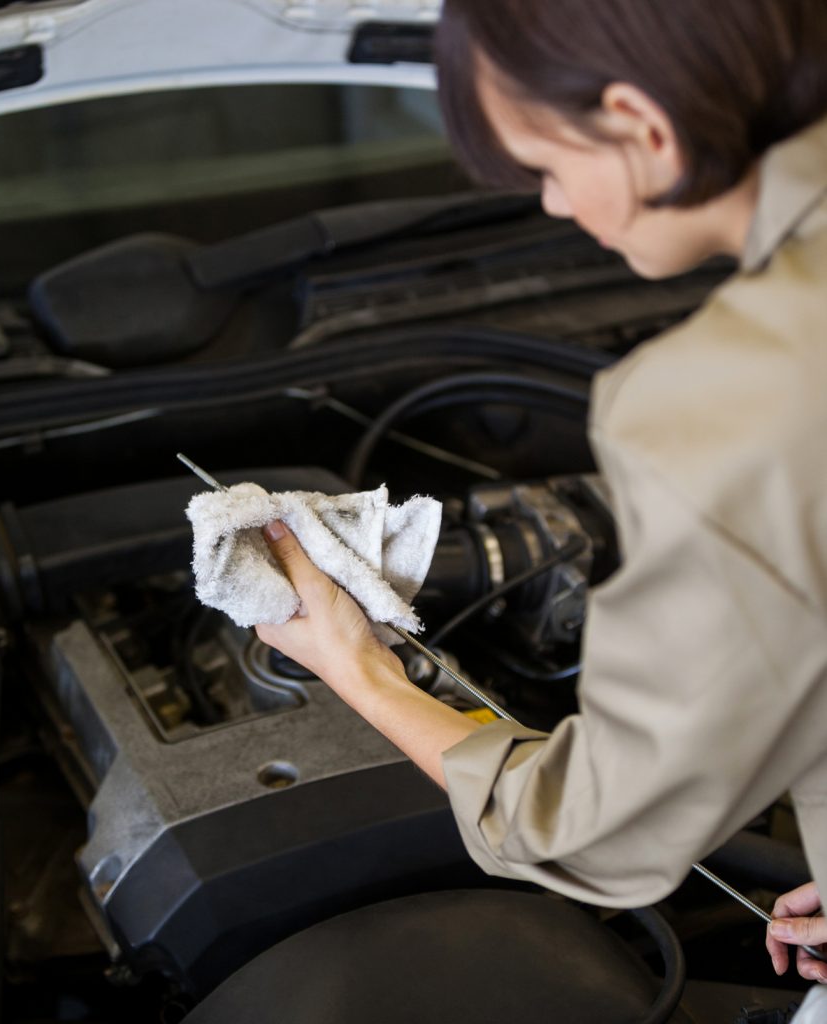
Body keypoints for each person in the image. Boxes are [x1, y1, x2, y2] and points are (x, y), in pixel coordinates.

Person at [255, 0, 827, 1010]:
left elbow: (597, 827)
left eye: (547, 168)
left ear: (640, 126)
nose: (555, 207)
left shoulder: (735, 394)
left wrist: (359, 669)